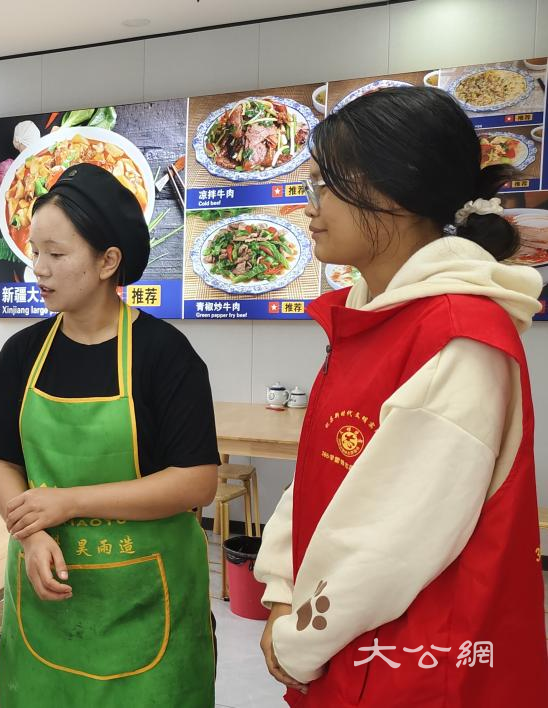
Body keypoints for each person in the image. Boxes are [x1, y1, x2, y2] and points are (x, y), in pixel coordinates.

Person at [255, 85, 548, 706]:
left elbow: (391, 541)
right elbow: (318, 472)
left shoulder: (459, 336)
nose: (309, 205)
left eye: (326, 185)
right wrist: (282, 585)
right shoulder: (372, 312)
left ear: (392, 193)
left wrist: (298, 640)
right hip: (351, 645)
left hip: (416, 666)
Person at [0, 163, 219, 706]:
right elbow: (3, 462)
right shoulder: (21, 354)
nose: (38, 268)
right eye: (34, 251)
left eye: (56, 254)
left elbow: (196, 481)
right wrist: (30, 535)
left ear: (109, 261)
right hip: (47, 596)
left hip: (149, 600)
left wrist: (70, 502)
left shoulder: (165, 354)